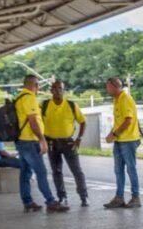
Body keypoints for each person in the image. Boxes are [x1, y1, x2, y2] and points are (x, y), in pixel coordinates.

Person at [15, 75, 69, 213]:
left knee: (25, 173)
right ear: (35, 85)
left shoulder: (19, 97)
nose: (38, 88)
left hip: (21, 140)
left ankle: (27, 202)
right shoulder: (29, 97)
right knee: (41, 171)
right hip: (30, 141)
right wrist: (42, 139)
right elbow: (33, 121)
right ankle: (50, 202)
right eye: (38, 85)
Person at [42, 80, 89, 207]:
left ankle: (84, 197)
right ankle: (62, 197)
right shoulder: (45, 105)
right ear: (51, 90)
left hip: (68, 143)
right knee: (56, 171)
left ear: (64, 91)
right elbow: (39, 122)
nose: (58, 91)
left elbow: (83, 122)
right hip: (51, 143)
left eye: (60, 88)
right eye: (55, 88)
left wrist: (79, 138)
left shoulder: (71, 105)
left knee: (77, 170)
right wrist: (42, 139)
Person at [103, 77, 142, 209]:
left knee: (131, 169)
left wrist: (114, 134)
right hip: (119, 140)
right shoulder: (117, 100)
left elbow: (128, 121)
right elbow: (118, 122)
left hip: (128, 140)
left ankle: (136, 197)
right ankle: (119, 198)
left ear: (114, 86)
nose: (107, 89)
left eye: (108, 86)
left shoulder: (125, 98)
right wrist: (111, 134)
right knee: (118, 170)